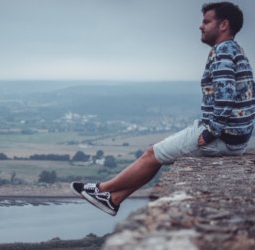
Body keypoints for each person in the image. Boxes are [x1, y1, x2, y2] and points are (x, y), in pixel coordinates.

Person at [71, 2, 254, 216]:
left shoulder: (222, 52)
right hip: (235, 137)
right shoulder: (236, 50)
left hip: (221, 137)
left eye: (206, 21)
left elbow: (226, 95)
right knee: (158, 153)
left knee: (151, 153)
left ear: (224, 25)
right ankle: (113, 200)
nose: (200, 26)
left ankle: (101, 189)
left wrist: (211, 131)